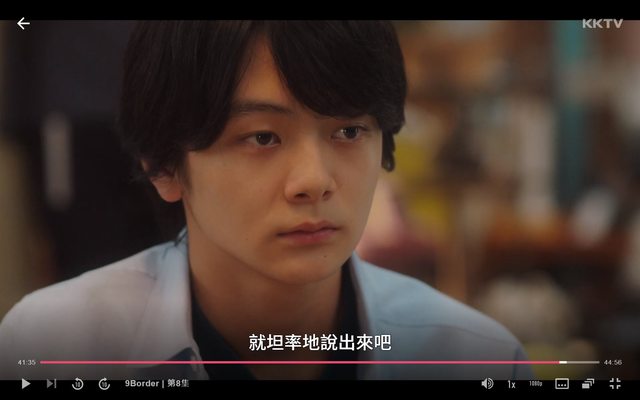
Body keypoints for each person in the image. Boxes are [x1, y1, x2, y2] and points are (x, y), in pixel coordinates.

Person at [0, 21, 533, 380]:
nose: (314, 181)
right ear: (164, 165)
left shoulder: (474, 358)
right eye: (262, 137)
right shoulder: (55, 348)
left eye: (349, 132)